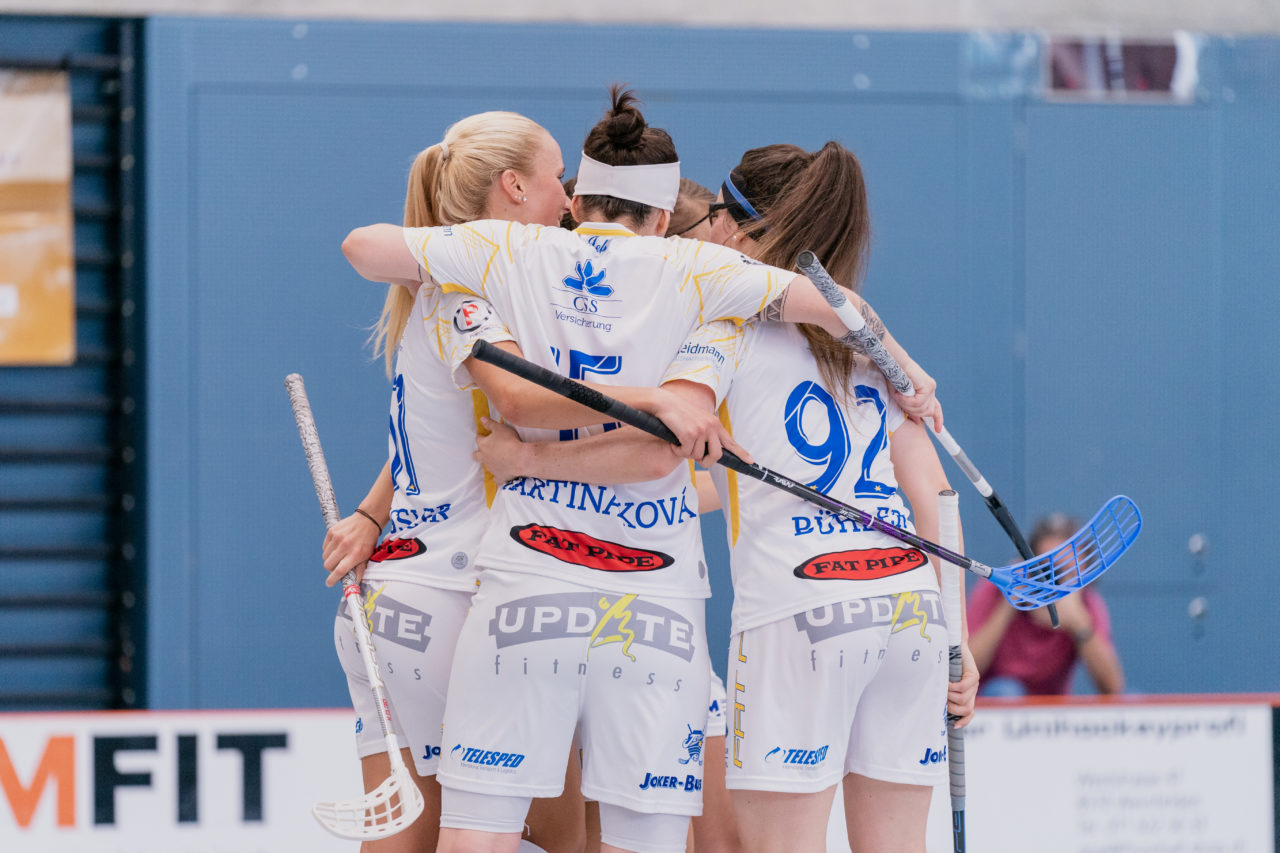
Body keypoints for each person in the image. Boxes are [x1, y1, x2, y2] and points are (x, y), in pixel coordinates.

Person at [340, 87, 938, 853]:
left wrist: (526, 452)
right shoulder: (701, 271)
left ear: (578, 198)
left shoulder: (504, 252)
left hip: (525, 587)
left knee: (475, 836)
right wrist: (907, 372)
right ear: (663, 215)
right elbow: (834, 310)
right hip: (659, 609)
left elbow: (364, 248)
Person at [472, 140, 978, 853]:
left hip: (799, 608)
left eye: (712, 215)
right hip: (913, 611)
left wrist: (526, 458)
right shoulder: (863, 341)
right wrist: (958, 640)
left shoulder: (723, 325)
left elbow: (658, 447)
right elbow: (937, 494)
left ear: (736, 229)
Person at [321, 110, 586, 853]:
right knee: (564, 836)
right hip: (462, 600)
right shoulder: (472, 290)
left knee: (400, 837)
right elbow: (517, 402)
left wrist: (371, 513)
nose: (569, 198)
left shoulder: (439, 287)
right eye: (557, 177)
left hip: (387, 598)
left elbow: (447, 434)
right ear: (514, 186)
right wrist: (660, 404)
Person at [967, 512, 1125, 696]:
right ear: (1028, 564)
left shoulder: (1085, 603)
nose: (1054, 580)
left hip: (1051, 707)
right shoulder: (996, 590)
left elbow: (1113, 688)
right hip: (997, 700)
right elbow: (967, 668)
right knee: (1006, 691)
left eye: (1066, 570)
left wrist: (1080, 625)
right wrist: (1009, 603)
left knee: (1135, 698)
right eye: (1046, 567)